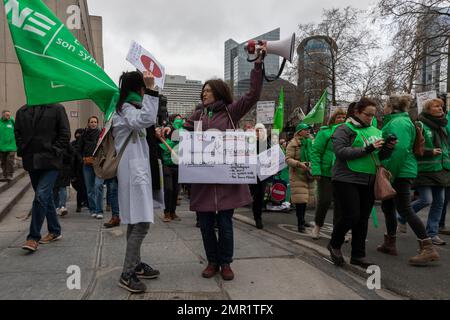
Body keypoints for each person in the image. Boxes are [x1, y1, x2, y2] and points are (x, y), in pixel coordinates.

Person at [183, 47, 265, 281]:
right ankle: (212, 261)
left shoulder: (231, 112)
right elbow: (183, 135)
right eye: (203, 91)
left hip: (227, 178)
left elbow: (253, 95)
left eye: (208, 91)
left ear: (218, 93)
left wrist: (257, 65)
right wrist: (171, 131)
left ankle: (226, 263)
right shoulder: (197, 115)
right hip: (203, 180)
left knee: (226, 223)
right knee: (206, 225)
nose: (204, 94)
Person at [328, 98, 395, 268]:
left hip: (368, 178)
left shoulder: (376, 130)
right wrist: (368, 148)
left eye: (373, 115)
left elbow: (380, 157)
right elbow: (341, 152)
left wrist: (387, 148)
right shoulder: (343, 129)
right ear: (356, 112)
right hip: (345, 178)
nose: (370, 118)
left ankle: (358, 255)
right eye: (367, 115)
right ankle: (335, 244)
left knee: (362, 218)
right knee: (351, 215)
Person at [112, 70, 160, 293]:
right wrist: (152, 90)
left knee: (136, 219)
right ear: (139, 89)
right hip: (133, 173)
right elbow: (147, 119)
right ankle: (127, 273)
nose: (145, 91)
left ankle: (136, 264)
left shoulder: (127, 108)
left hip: (136, 171)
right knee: (141, 223)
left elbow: (145, 123)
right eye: (143, 87)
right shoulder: (126, 109)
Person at [377, 95, 440, 265]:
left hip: (400, 171)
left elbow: (399, 150)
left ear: (391, 106)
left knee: (404, 209)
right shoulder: (399, 121)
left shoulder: (398, 123)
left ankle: (428, 248)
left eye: (384, 105)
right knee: (388, 206)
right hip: (401, 170)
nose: (383, 108)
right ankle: (390, 243)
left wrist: (389, 174)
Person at [15, 103, 70, 252]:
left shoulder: (57, 108)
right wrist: (22, 149)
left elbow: (65, 134)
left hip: (51, 161)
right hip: (31, 161)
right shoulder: (22, 111)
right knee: (46, 198)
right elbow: (18, 133)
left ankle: (33, 237)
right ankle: (55, 230)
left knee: (41, 195)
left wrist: (55, 150)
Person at [398, 99, 450, 246]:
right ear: (427, 109)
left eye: (441, 106)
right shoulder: (420, 124)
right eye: (436, 106)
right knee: (426, 199)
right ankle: (401, 215)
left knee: (439, 202)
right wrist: (430, 151)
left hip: (441, 169)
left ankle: (432, 234)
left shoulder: (443, 125)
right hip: (424, 169)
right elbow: (413, 147)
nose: (440, 108)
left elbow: (446, 146)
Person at [310, 108, 347, 239]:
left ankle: (338, 232)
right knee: (324, 201)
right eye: (339, 117)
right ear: (333, 119)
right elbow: (315, 152)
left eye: (344, 117)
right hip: (326, 172)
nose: (342, 120)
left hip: (343, 173)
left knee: (340, 204)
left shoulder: (350, 132)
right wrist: (316, 170)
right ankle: (317, 226)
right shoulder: (325, 132)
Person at [286, 123, 316, 233]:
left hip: (309, 174)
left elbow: (315, 155)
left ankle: (303, 220)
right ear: (299, 132)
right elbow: (288, 159)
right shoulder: (292, 144)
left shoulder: (311, 142)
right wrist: (299, 164)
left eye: (309, 130)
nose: (308, 131)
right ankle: (300, 223)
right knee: (300, 201)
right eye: (305, 130)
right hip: (297, 174)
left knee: (306, 199)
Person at [79, 116, 104, 219]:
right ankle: (93, 209)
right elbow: (78, 148)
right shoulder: (84, 134)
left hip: (99, 164)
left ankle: (99, 211)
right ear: (88, 123)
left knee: (98, 186)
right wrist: (82, 159)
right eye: (91, 122)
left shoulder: (101, 134)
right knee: (90, 189)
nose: (93, 123)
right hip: (87, 164)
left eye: (95, 122)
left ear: (97, 123)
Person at [250, 123, 269, 229]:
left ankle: (258, 217)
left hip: (263, 172)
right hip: (251, 172)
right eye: (257, 130)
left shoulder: (267, 142)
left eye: (260, 130)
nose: (258, 132)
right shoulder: (250, 141)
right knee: (252, 193)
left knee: (260, 195)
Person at [54, 143, 74, 217]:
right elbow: (72, 153)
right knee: (60, 188)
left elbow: (72, 153)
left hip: (61, 168)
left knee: (58, 188)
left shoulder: (54, 142)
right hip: (61, 168)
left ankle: (59, 206)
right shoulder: (66, 143)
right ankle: (61, 206)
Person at [71, 128, 88, 212]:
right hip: (77, 169)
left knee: (85, 187)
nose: (79, 135)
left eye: (80, 134)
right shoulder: (73, 144)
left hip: (85, 167)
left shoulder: (85, 143)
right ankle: (79, 204)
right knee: (80, 187)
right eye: (77, 133)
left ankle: (85, 203)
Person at [0, 110, 17, 181]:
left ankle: (10, 175)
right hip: (2, 146)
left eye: (9, 115)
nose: (9, 116)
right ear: (2, 115)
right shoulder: (0, 123)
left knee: (10, 161)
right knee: (3, 161)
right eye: (7, 115)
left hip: (12, 146)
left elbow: (18, 130)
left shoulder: (12, 122)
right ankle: (4, 175)